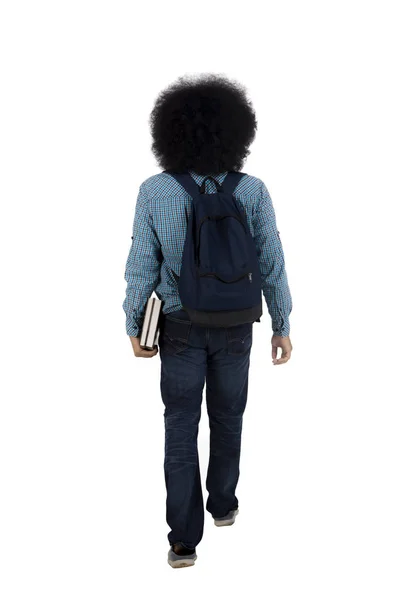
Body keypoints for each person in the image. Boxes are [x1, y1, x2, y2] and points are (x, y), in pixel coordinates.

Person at [122, 74, 293, 568]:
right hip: (238, 324)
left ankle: (182, 541)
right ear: (237, 132)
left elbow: (141, 265)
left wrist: (135, 323)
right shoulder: (253, 190)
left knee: (179, 425)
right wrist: (281, 323)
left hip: (178, 326)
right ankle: (222, 505)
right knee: (229, 416)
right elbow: (272, 260)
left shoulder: (155, 191)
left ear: (169, 133)